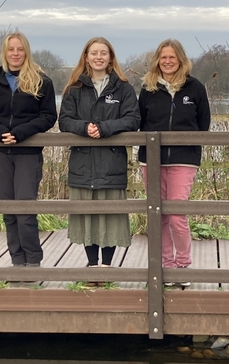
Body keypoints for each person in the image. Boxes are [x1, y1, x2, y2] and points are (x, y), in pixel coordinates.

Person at [0, 32, 57, 269]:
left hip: (27, 153)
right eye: (11, 49)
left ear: (26, 52)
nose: (16, 53)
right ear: (5, 52)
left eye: (20, 49)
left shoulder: (42, 82)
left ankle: (33, 261)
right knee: (8, 210)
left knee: (25, 208)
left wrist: (21, 133)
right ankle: (17, 261)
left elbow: (49, 116)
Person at [59, 37, 140, 276]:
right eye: (93, 53)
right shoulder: (74, 88)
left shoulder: (123, 88)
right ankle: (93, 266)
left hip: (111, 162)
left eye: (103, 53)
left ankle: (107, 266)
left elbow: (133, 119)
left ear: (110, 58)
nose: (98, 57)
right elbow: (64, 120)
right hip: (82, 162)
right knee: (87, 216)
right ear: (86, 57)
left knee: (110, 215)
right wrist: (84, 128)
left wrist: (104, 128)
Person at [138, 38, 210, 288]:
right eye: (163, 57)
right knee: (158, 215)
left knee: (177, 213)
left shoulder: (195, 88)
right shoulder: (148, 88)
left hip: (184, 159)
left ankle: (182, 265)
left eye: (172, 57)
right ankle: (164, 265)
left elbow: (204, 124)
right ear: (157, 60)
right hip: (152, 160)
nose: (167, 61)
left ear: (180, 59)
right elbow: (141, 122)